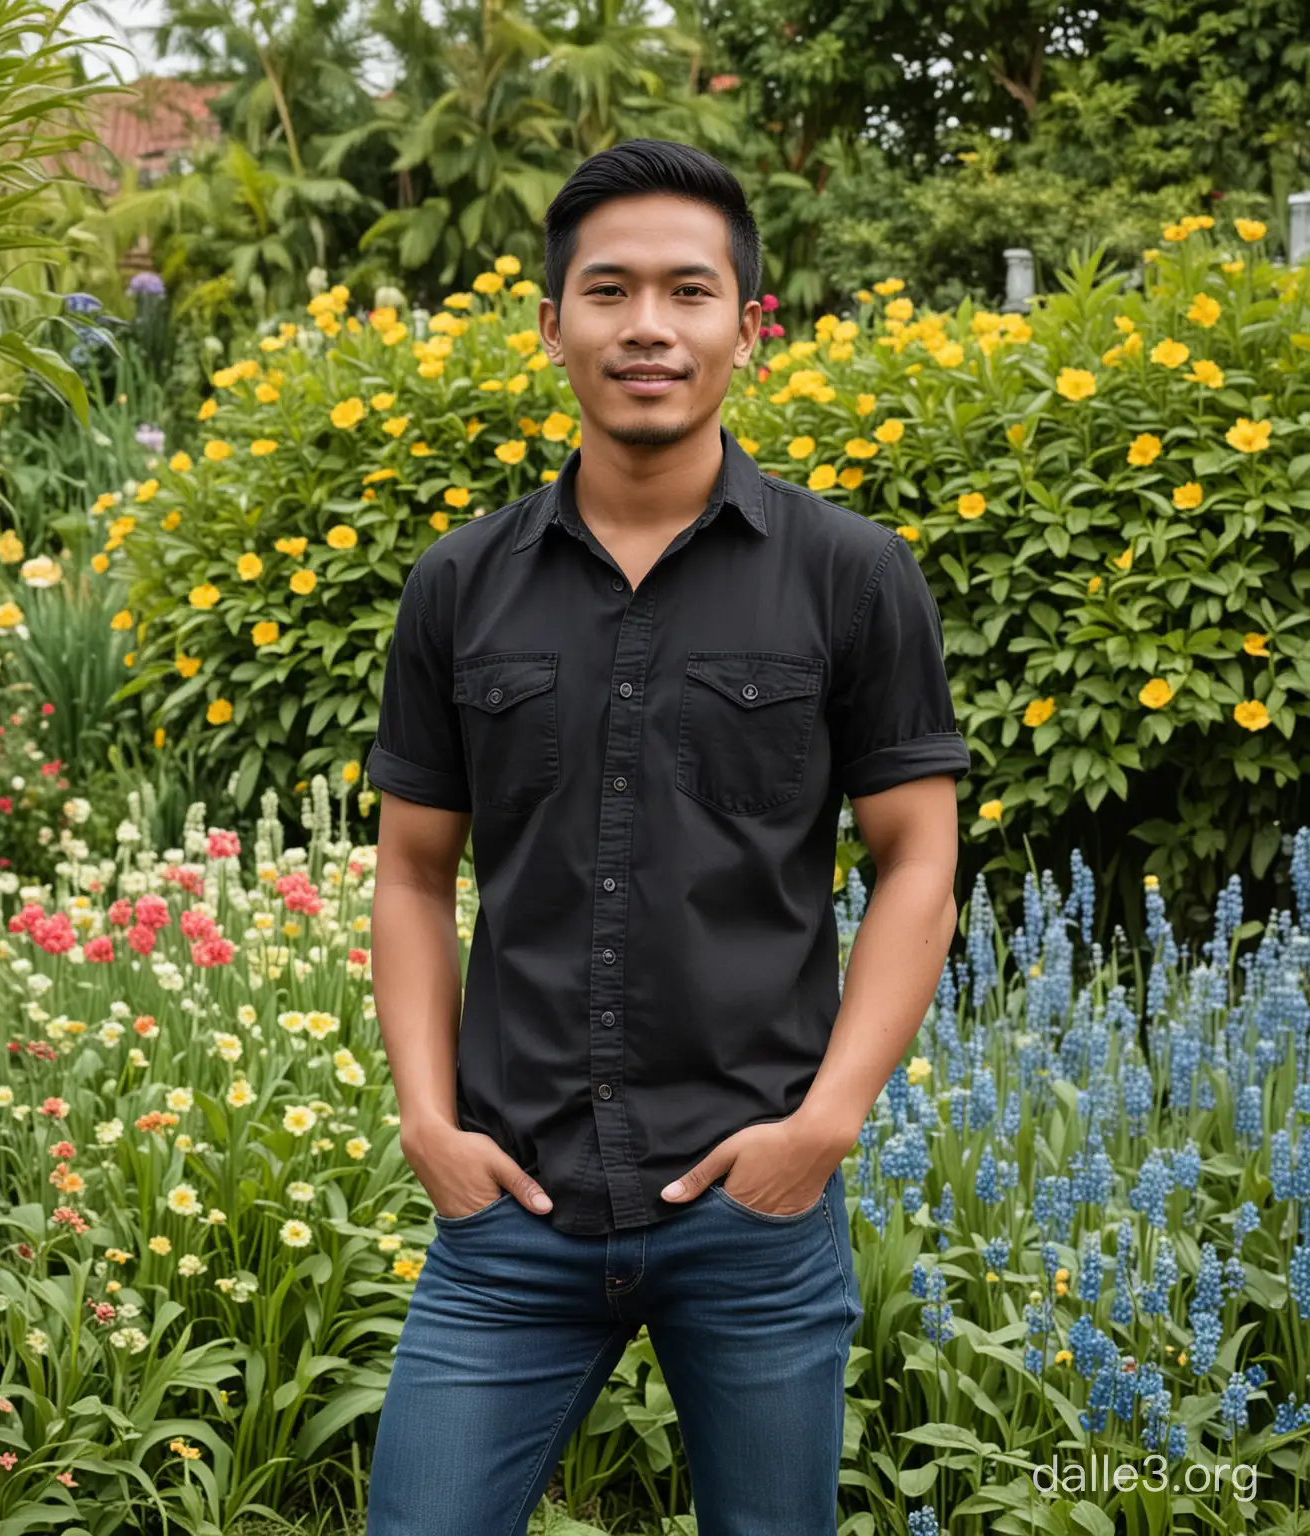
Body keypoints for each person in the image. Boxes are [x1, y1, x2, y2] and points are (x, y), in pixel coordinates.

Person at [363, 138, 970, 1535]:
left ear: (748, 328)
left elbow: (916, 860)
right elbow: (411, 869)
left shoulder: (851, 577)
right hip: (509, 1219)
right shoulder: (458, 587)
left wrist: (826, 1125)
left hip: (753, 1216)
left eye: (689, 292)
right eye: (609, 291)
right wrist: (426, 1126)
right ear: (552, 326)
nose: (648, 326)